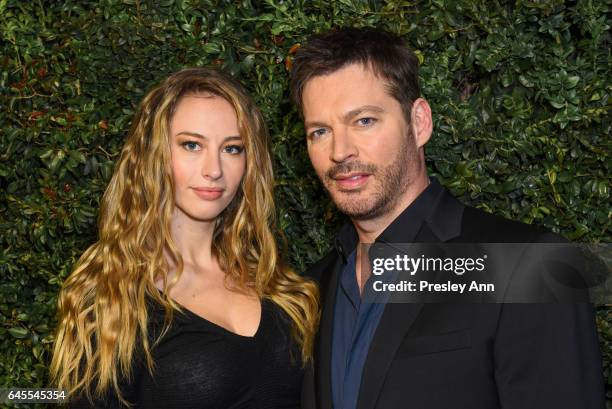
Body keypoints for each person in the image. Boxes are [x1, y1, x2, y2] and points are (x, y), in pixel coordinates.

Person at [290, 27, 605, 409]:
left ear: (419, 122)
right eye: (320, 131)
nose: (340, 151)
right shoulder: (312, 289)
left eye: (365, 121)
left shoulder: (527, 267)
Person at [50, 67, 319, 408]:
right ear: (154, 154)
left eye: (232, 149)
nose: (214, 169)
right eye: (192, 145)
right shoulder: (111, 297)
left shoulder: (276, 281)